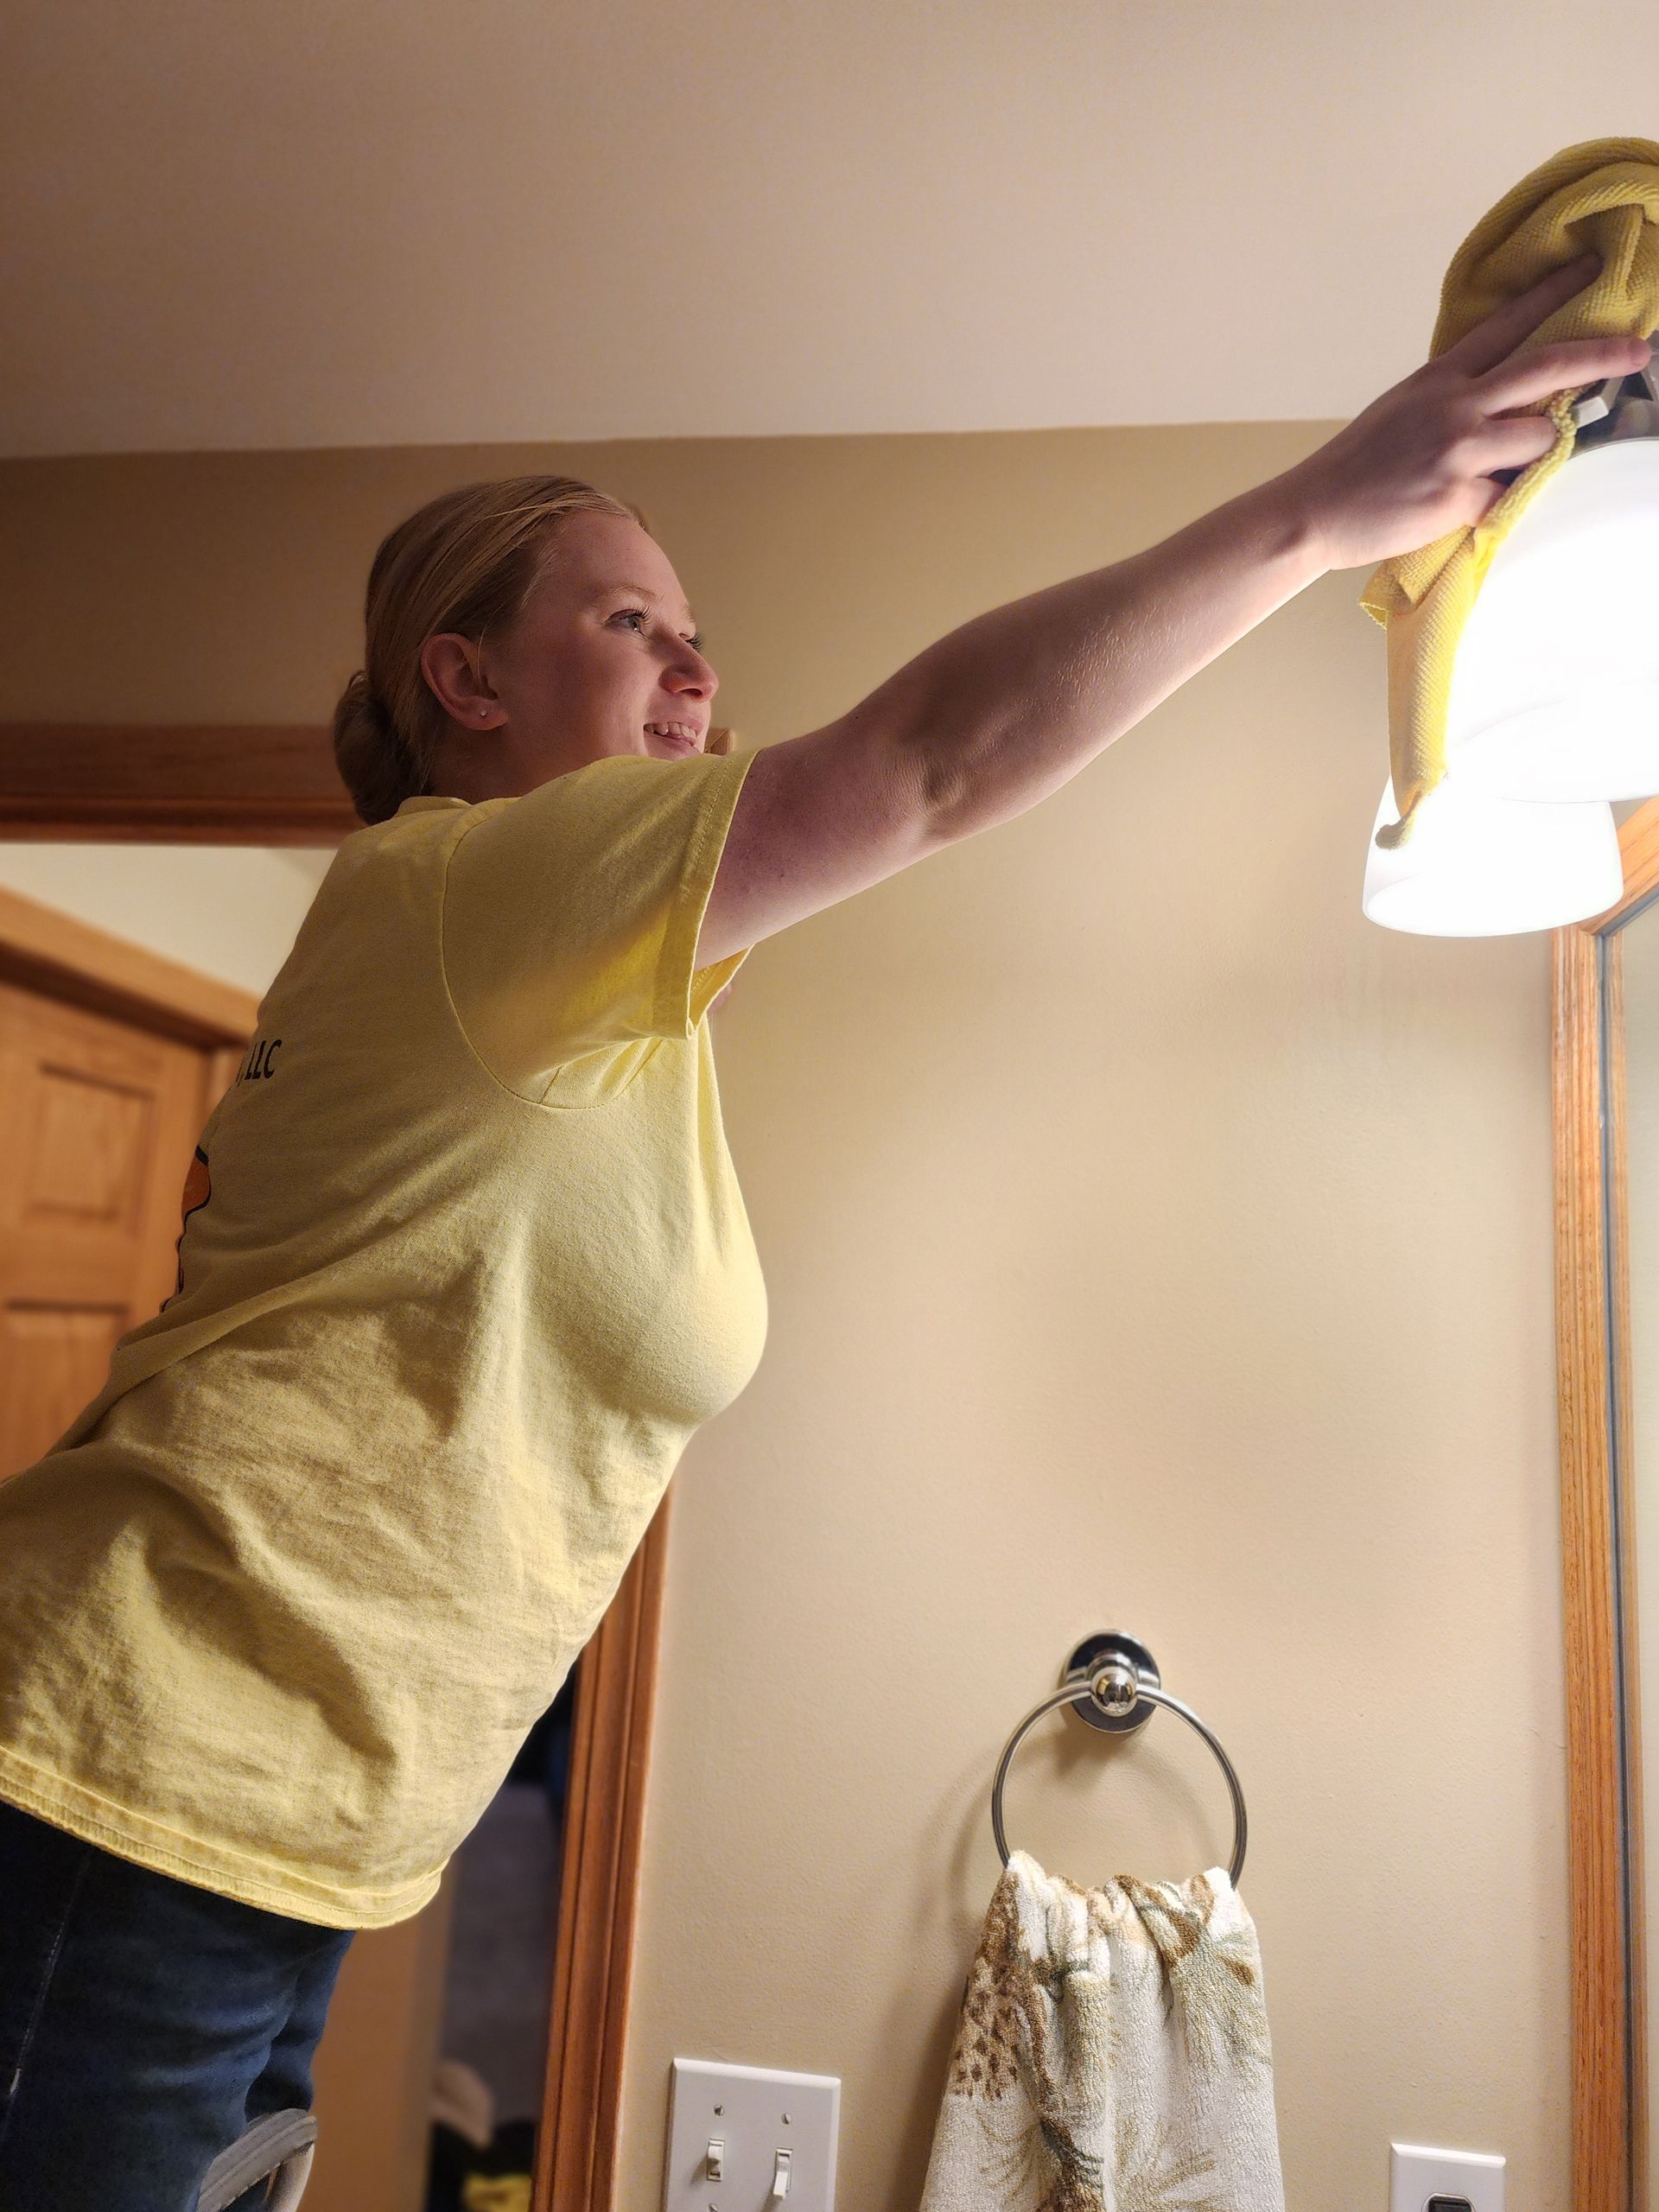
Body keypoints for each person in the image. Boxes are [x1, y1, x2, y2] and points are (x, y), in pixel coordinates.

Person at [0, 254, 1643, 2212]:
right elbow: (927, 761)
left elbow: (902, 794)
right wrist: (1317, 508)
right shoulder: (463, 885)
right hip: (134, 1780)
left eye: (699, 633)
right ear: (467, 678)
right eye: (633, 624)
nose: (702, 668)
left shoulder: (587, 1001)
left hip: (288, 1833)